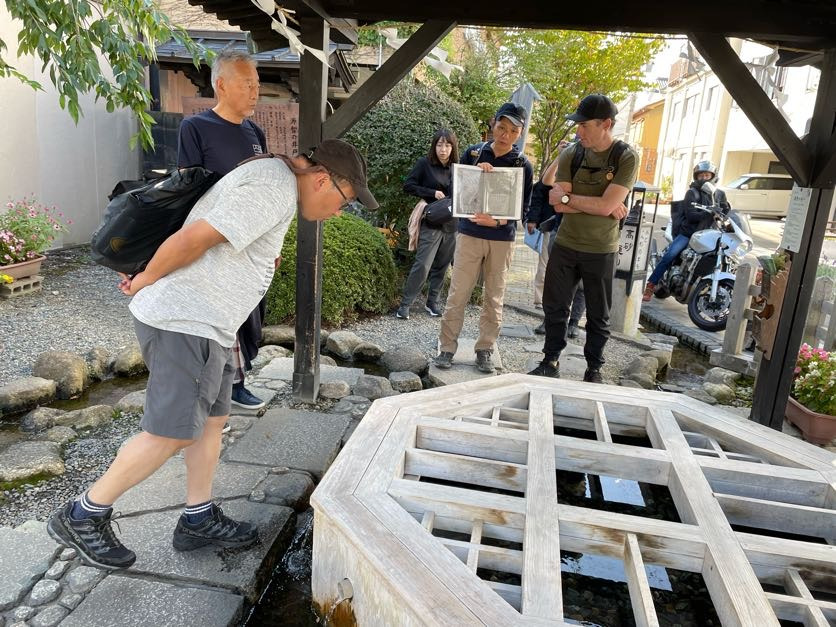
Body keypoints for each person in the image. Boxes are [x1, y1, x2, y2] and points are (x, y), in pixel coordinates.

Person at [46, 140, 377, 570]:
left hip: (210, 324)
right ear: (321, 179)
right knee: (171, 432)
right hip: (188, 319)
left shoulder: (276, 181)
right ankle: (84, 513)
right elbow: (194, 238)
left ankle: (197, 517)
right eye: (344, 201)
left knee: (211, 421)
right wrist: (145, 279)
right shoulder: (273, 187)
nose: (338, 212)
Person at [177, 48, 269, 410]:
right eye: (247, 84)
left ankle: (235, 382)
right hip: (213, 238)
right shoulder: (196, 128)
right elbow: (186, 187)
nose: (255, 91)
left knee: (248, 315)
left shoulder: (255, 132)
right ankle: (226, 387)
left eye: (256, 84)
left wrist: (270, 245)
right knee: (220, 315)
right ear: (221, 85)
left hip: (250, 240)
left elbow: (262, 190)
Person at [529, 94, 638, 383]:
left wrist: (574, 199)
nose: (578, 131)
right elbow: (557, 204)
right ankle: (550, 360)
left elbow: (600, 205)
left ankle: (594, 369)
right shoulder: (572, 154)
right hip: (565, 243)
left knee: (599, 315)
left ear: (606, 124)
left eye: (585, 125)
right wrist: (600, 204)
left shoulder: (625, 157)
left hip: (601, 249)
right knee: (555, 307)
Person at [434, 103, 534, 373]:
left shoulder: (522, 164)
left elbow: (523, 208)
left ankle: (485, 349)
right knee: (458, 292)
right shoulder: (474, 153)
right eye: (501, 127)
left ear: (520, 133)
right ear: (493, 124)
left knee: (494, 297)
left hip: (502, 238)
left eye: (513, 131)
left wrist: (498, 221)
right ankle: (446, 348)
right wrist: (477, 175)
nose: (505, 135)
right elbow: (457, 191)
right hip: (470, 233)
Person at [643, 160, 730, 301]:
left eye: (707, 175)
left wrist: (725, 212)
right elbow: (691, 216)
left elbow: (725, 211)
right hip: (689, 233)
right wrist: (709, 213)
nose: (704, 178)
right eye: (701, 175)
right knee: (670, 255)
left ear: (713, 176)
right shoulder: (692, 193)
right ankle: (650, 286)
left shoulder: (719, 194)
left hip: (710, 234)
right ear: (696, 176)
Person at [396, 129, 459, 319]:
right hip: (431, 221)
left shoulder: (457, 168)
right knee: (423, 264)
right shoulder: (424, 164)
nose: (443, 149)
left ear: (453, 148)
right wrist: (432, 193)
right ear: (434, 146)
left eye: (447, 145)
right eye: (439, 145)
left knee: (442, 266)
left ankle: (432, 302)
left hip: (452, 223)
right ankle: (405, 304)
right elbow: (408, 185)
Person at [528, 142, 586, 338]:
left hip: (589, 236)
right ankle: (550, 320)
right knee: (556, 279)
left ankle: (574, 322)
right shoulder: (567, 168)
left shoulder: (600, 171)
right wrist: (561, 156)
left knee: (581, 284)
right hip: (561, 231)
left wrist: (566, 201)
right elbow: (546, 182)